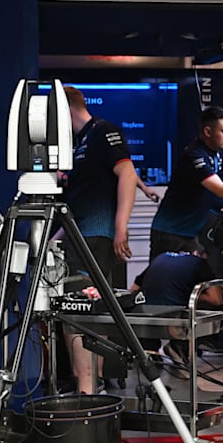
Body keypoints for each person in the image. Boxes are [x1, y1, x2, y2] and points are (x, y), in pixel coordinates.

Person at [59, 85, 141, 394]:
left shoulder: (103, 131)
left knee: (77, 308)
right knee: (90, 309)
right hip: (81, 235)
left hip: (96, 236)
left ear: (65, 109)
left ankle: (87, 389)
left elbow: (127, 174)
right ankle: (93, 388)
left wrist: (121, 227)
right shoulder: (82, 143)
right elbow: (80, 202)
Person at [149, 106, 223, 262]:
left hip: (190, 232)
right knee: (159, 279)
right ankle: (137, 286)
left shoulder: (219, 151)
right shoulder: (194, 155)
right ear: (208, 132)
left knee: (199, 275)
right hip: (170, 232)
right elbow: (220, 188)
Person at [130, 241, 223, 374]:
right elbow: (216, 300)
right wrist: (189, 293)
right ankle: (180, 346)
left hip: (144, 317)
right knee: (221, 312)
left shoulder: (161, 257)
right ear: (198, 253)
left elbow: (133, 290)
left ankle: (150, 352)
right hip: (173, 318)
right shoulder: (199, 262)